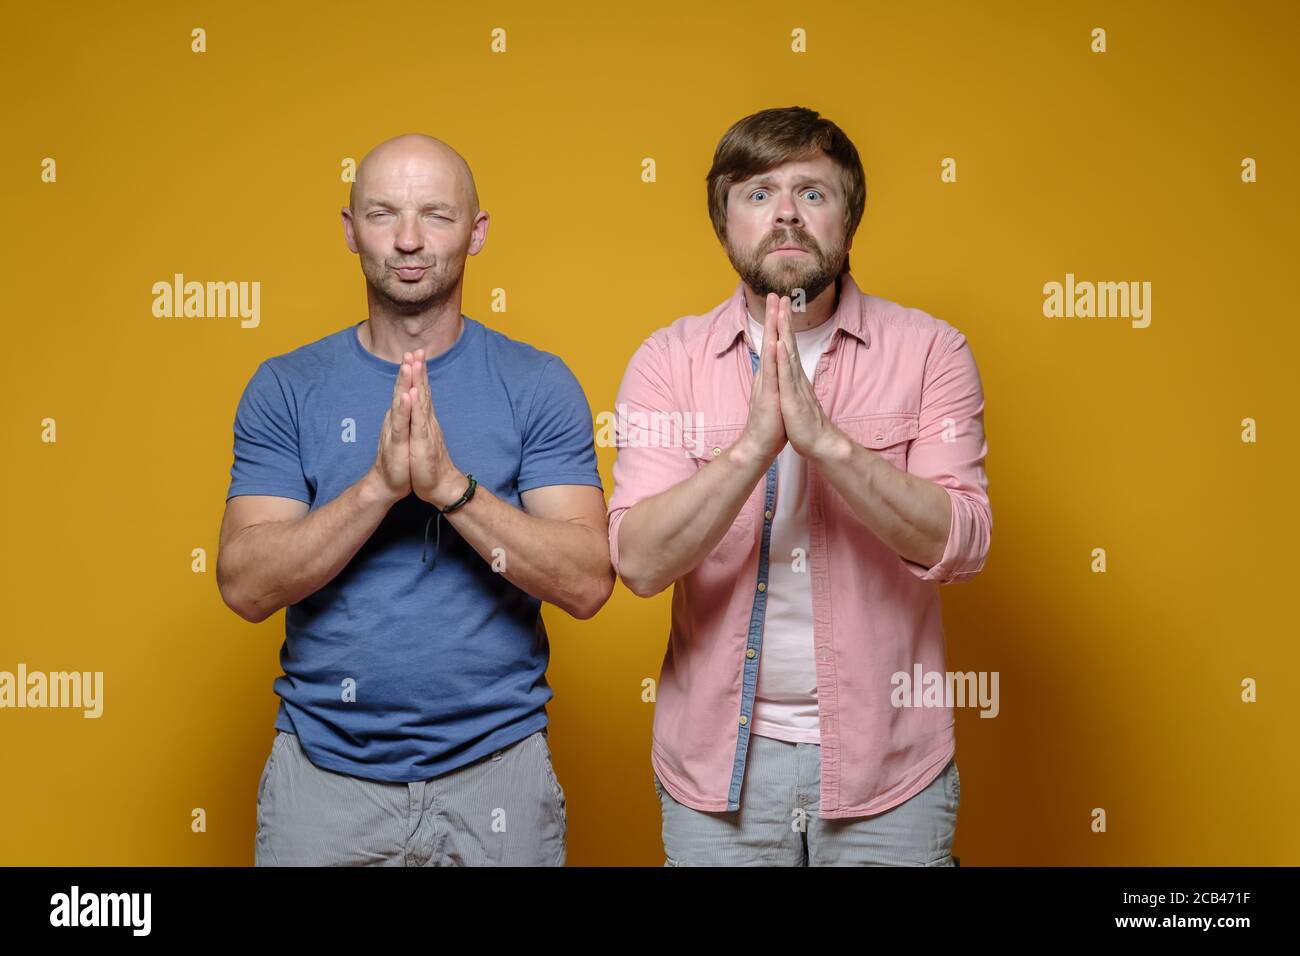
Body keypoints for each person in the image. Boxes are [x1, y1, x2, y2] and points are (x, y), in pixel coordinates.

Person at [608, 106, 992, 865]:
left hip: (891, 768)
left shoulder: (931, 350)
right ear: (725, 222)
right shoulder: (667, 362)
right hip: (716, 772)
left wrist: (827, 445)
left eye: (812, 193)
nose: (785, 214)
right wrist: (755, 447)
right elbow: (639, 561)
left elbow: (964, 539)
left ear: (850, 217)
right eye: (757, 194)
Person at [217, 133, 613, 866]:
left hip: (499, 772)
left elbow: (588, 582)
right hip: (323, 778)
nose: (407, 240)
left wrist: (451, 491)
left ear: (477, 231)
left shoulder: (537, 383)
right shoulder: (286, 386)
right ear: (349, 229)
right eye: (382, 213)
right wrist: (378, 489)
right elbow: (244, 586)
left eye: (435, 214)